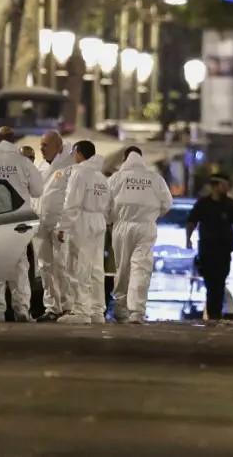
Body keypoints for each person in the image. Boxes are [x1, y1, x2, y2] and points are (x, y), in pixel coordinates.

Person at [0, 127, 44, 321]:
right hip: (18, 220)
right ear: (14, 140)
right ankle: (21, 310)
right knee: (19, 266)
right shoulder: (23, 163)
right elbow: (38, 191)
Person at [107, 146, 173, 324]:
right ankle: (137, 312)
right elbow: (167, 203)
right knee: (141, 268)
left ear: (124, 159)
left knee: (122, 269)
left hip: (122, 227)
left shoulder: (117, 178)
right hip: (146, 228)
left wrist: (112, 219)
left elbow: (106, 203)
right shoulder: (155, 179)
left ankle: (120, 309)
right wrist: (152, 216)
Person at [55, 140, 111, 324]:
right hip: (99, 220)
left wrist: (63, 226)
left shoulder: (79, 173)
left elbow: (72, 202)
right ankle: (97, 310)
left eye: (73, 153)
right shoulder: (100, 176)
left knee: (79, 264)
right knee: (96, 267)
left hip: (82, 221)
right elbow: (110, 204)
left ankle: (81, 310)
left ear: (79, 153)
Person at [185, 173, 233, 322]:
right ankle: (213, 314)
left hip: (224, 250)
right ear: (215, 187)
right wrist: (188, 240)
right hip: (207, 249)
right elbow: (192, 221)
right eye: (223, 185)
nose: (226, 189)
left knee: (219, 282)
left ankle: (215, 314)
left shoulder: (232, 205)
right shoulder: (203, 204)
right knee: (210, 282)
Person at [32, 131, 76, 322]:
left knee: (63, 266)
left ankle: (68, 307)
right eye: (40, 145)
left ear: (58, 147)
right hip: (41, 225)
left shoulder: (70, 166)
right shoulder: (42, 167)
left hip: (59, 226)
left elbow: (71, 198)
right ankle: (52, 307)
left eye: (45, 145)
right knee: (45, 268)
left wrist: (64, 224)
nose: (41, 149)